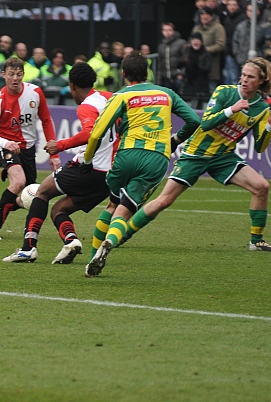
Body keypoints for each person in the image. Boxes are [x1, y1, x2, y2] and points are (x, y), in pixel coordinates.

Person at [117, 57, 271, 258]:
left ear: (261, 81)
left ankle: (256, 242)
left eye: (251, 77)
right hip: (196, 153)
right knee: (164, 201)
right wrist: (232, 109)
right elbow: (205, 123)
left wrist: (268, 128)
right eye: (243, 75)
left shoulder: (262, 109)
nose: (245, 80)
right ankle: (121, 235)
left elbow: (259, 147)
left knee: (262, 187)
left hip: (223, 157)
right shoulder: (225, 92)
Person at [81, 53, 200, 278]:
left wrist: (88, 160)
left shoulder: (121, 95)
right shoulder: (166, 93)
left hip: (127, 155)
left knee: (111, 205)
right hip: (156, 158)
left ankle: (92, 257)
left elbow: (97, 133)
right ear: (147, 73)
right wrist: (175, 140)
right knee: (124, 212)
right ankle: (109, 243)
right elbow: (195, 121)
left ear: (123, 74)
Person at [1, 62, 115, 264]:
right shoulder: (108, 98)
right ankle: (71, 241)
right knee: (59, 210)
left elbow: (89, 133)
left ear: (72, 86)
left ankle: (28, 248)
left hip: (87, 167)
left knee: (42, 192)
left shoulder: (87, 106)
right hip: (108, 175)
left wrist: (60, 145)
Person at [0, 56, 60, 241]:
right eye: (11, 74)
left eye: (18, 74)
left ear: (23, 74)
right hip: (8, 146)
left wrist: (53, 154)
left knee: (31, 196)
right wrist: (5, 143)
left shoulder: (35, 93)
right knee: (18, 182)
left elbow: (46, 120)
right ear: (3, 75)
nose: (15, 78)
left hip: (28, 148)